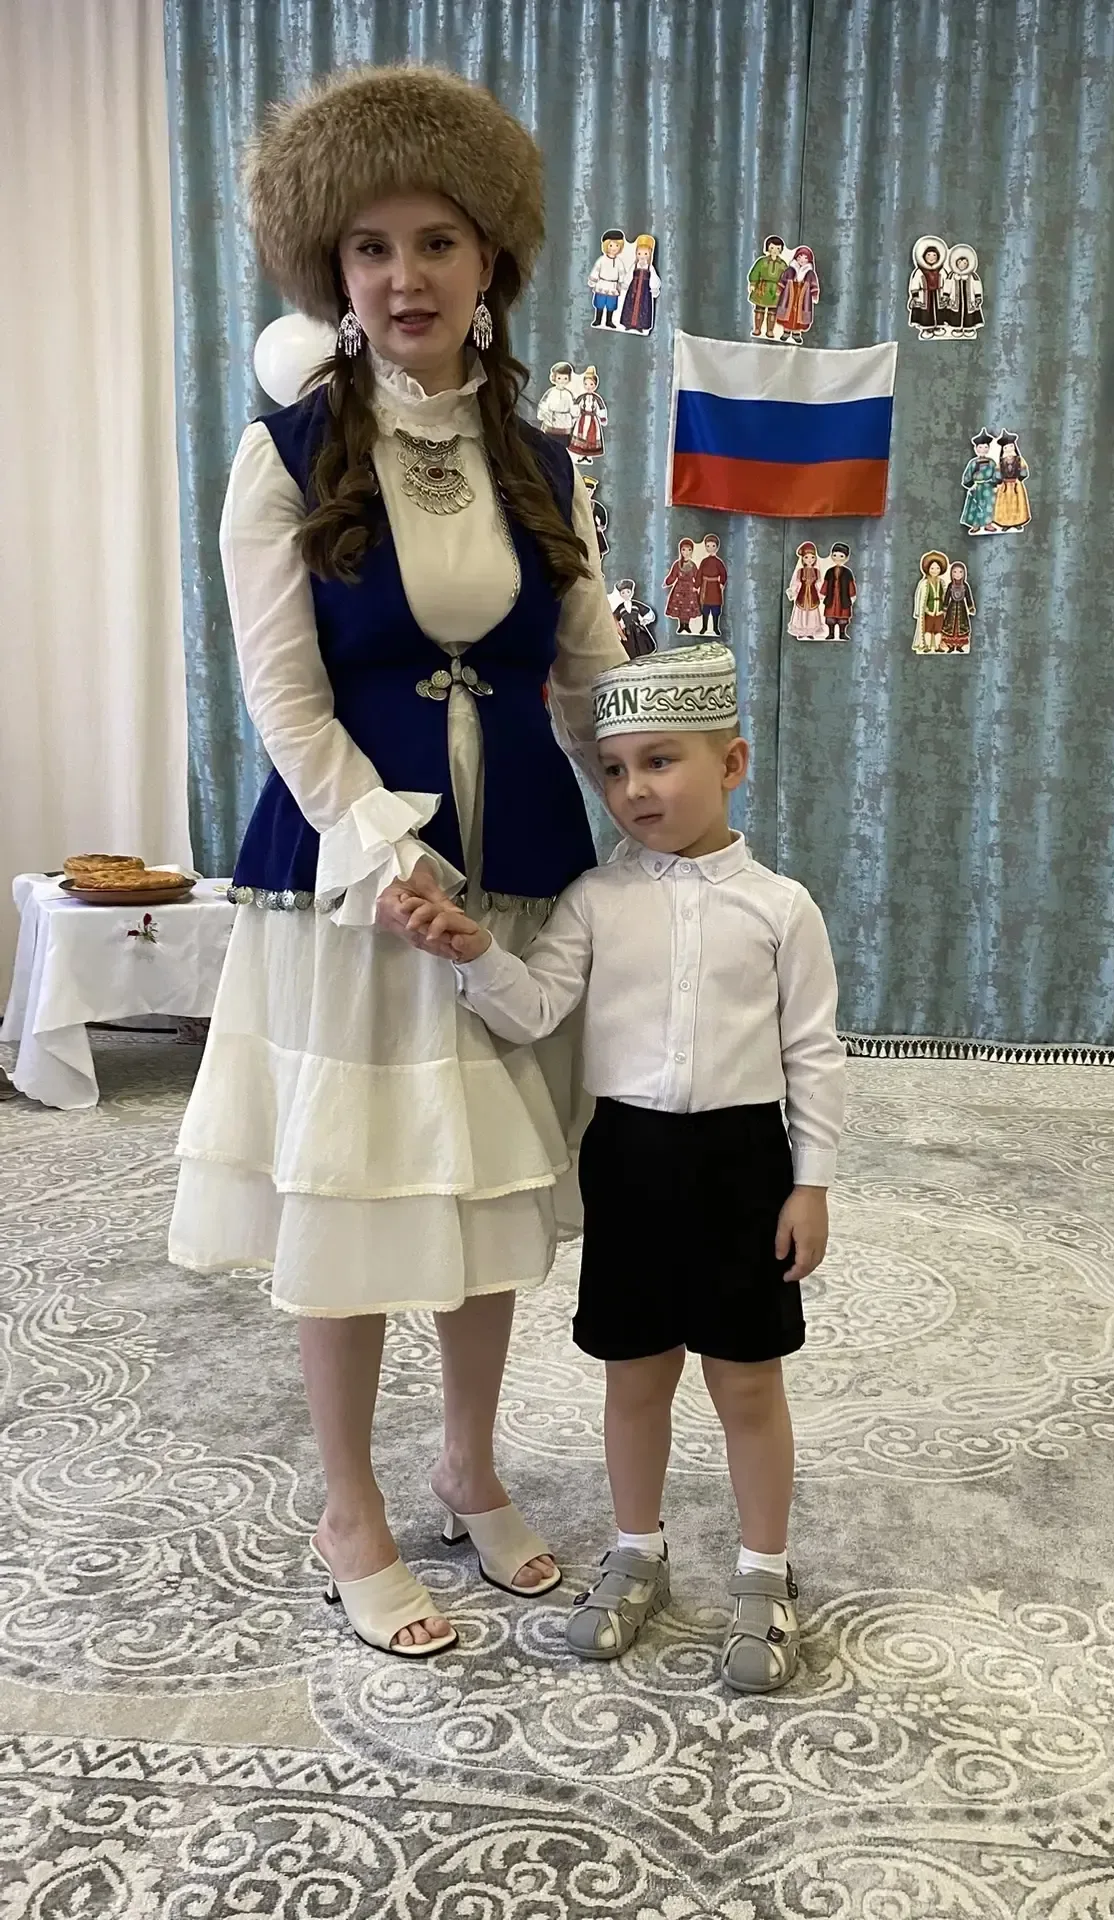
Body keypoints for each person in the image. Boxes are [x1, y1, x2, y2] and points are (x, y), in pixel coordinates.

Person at [168, 67, 627, 1659]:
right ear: (333, 271)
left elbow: (589, 671)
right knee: (363, 1191)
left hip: (518, 869)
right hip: (356, 885)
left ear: (491, 261)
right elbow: (285, 699)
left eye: (437, 241)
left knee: (485, 1187)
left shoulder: (547, 464)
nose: (405, 276)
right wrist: (387, 857)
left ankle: (467, 1464)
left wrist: (677, 785)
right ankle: (350, 1508)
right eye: (370, 247)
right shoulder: (283, 454)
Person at [381, 644, 845, 1693]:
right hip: (629, 1163)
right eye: (616, 768)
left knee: (746, 1381)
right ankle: (636, 1549)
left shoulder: (783, 908)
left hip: (742, 1165)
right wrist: (475, 954)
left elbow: (814, 1052)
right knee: (635, 1378)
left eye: (662, 762)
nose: (635, 789)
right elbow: (538, 1008)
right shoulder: (594, 899)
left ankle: (764, 1572)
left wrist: (811, 1181)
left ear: (733, 764)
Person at [774, 245, 820, 342]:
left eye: (805, 258)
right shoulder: (790, 270)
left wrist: (814, 295)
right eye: (799, 257)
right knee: (787, 313)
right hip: (789, 294)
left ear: (809, 260)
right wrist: (779, 289)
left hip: (803, 296)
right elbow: (783, 280)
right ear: (796, 258)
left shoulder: (810, 273)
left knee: (801, 315)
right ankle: (786, 332)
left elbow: (814, 284)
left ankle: (796, 333)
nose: (802, 260)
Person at [618, 234, 660, 335]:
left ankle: (640, 325)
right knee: (630, 305)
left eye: (645, 254)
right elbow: (629, 275)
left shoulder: (650, 268)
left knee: (643, 307)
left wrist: (654, 288)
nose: (642, 256)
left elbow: (654, 278)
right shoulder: (635, 266)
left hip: (644, 291)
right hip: (634, 289)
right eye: (639, 253)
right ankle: (628, 323)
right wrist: (626, 284)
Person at [960, 431, 1001, 535]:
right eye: (980, 447)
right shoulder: (973, 463)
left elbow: (996, 473)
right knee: (975, 505)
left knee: (989, 505)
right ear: (976, 449)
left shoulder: (992, 462)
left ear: (988, 448)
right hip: (976, 487)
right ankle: (976, 524)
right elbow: (967, 475)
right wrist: (970, 485)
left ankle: (988, 524)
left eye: (985, 447)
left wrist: (995, 484)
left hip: (988, 487)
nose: (983, 449)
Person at [748, 235, 787, 339]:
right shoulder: (762, 261)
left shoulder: (782, 264)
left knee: (772, 311)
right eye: (772, 247)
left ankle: (770, 330)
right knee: (759, 309)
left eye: (778, 248)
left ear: (781, 250)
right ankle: (757, 329)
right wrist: (753, 283)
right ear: (767, 248)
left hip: (776, 290)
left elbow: (786, 277)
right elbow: (755, 272)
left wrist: (784, 288)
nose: (774, 250)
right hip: (762, 288)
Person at [568, 366, 608, 463]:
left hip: (592, 421)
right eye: (586, 384)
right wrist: (575, 414)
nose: (588, 386)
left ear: (595, 385)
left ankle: (588, 455)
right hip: (582, 419)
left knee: (591, 437)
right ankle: (581, 454)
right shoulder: (581, 397)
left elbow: (601, 408)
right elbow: (576, 405)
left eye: (591, 384)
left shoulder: (597, 398)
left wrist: (602, 417)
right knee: (581, 436)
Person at [588, 229, 626, 329]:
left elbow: (622, 273)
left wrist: (622, 283)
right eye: (611, 245)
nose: (614, 248)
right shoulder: (601, 260)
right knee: (599, 303)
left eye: (617, 245)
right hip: (602, 284)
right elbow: (596, 270)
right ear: (606, 246)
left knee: (611, 305)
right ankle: (598, 319)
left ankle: (609, 321)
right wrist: (593, 280)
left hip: (613, 286)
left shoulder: (619, 262)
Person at [664, 537, 703, 634]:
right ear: (680, 551)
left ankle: (687, 625)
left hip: (690, 589)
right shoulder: (677, 564)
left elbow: (698, 577)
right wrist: (667, 582)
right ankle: (681, 626)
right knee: (680, 607)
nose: (686, 552)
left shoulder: (693, 565)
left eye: (689, 550)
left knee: (688, 607)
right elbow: (673, 576)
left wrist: (696, 586)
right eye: (684, 550)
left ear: (692, 551)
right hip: (679, 589)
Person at [908, 236, 946, 335]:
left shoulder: (941, 271)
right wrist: (915, 296)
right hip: (924, 295)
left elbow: (947, 282)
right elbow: (915, 283)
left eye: (934, 255)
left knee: (939, 311)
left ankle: (938, 327)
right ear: (924, 257)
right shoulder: (919, 271)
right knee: (925, 314)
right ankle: (927, 329)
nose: (931, 258)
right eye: (928, 255)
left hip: (938, 294)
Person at [993, 431, 1031, 530]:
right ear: (1003, 449)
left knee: (1018, 504)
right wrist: (998, 482)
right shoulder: (1001, 462)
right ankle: (1005, 523)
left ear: (1014, 447)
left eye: (1011, 447)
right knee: (1005, 506)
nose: (1009, 450)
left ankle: (1018, 522)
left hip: (1016, 485)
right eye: (1006, 448)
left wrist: (1020, 478)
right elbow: (998, 472)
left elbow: (1024, 471)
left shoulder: (1019, 460)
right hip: (1004, 486)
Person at [786, 541, 824, 638]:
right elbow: (796, 583)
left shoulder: (817, 571)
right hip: (802, 595)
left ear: (815, 558)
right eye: (806, 557)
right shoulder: (800, 571)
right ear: (802, 558)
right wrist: (793, 591)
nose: (810, 560)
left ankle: (810, 632)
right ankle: (801, 631)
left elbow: (819, 583)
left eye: (812, 557)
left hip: (813, 595)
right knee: (801, 612)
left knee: (812, 613)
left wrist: (822, 593)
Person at [912, 552, 949, 652]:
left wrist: (944, 608)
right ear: (927, 569)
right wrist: (925, 609)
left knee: (938, 630)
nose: (935, 571)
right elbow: (921, 598)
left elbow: (944, 595)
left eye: (937, 568)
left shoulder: (941, 582)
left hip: (939, 611)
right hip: (929, 612)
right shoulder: (925, 583)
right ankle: (927, 646)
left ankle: (937, 646)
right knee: (928, 630)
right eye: (932, 568)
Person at [610, 579, 657, 658]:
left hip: (639, 630)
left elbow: (648, 612)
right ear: (620, 594)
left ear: (632, 592)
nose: (626, 594)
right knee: (630, 651)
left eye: (628, 592)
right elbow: (614, 619)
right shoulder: (620, 608)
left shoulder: (636, 605)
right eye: (623, 593)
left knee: (644, 648)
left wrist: (644, 621)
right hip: (628, 633)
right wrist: (621, 633)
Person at [821, 543, 856, 639]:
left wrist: (852, 595)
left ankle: (842, 633)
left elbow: (851, 584)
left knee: (843, 618)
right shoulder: (829, 571)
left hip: (843, 598)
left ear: (846, 558)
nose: (838, 559)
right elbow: (826, 583)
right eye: (835, 555)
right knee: (830, 617)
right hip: (831, 598)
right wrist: (823, 594)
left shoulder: (848, 572)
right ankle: (831, 633)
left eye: (841, 556)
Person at [939, 560, 976, 652]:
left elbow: (968, 597)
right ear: (951, 573)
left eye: (960, 572)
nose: (957, 574)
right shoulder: (950, 585)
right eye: (955, 572)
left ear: (964, 573)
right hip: (951, 609)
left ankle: (959, 646)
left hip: (962, 609)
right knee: (950, 626)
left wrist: (970, 607)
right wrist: (945, 607)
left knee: (961, 627)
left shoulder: (965, 586)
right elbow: (947, 597)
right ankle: (951, 646)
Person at [696, 532, 727, 636]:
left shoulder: (719, 562)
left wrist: (722, 583)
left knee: (715, 609)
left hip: (715, 588)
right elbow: (699, 573)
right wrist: (697, 585)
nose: (710, 548)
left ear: (717, 547)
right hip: (705, 588)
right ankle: (704, 627)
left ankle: (715, 627)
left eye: (713, 546)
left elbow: (723, 573)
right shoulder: (704, 561)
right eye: (708, 546)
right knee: (705, 609)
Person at [538, 362, 576, 439]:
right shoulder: (550, 392)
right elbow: (543, 405)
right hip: (551, 423)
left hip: (565, 424)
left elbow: (573, 408)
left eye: (565, 378)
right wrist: (544, 414)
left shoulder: (569, 394)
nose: (562, 381)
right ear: (554, 378)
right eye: (559, 378)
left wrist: (574, 415)